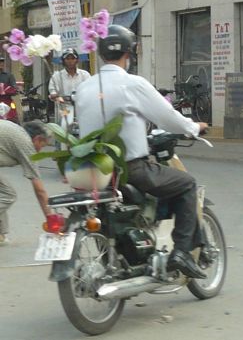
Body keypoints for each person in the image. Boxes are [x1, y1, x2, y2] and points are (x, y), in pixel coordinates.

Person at [75, 25, 209, 279]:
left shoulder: (84, 87)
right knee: (187, 184)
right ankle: (181, 252)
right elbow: (168, 117)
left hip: (90, 170)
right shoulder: (132, 83)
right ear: (130, 53)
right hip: (129, 169)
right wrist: (194, 127)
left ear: (102, 53)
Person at [0, 120, 52, 245]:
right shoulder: (26, 144)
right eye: (42, 146)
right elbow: (40, 190)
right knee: (8, 195)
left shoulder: (19, 132)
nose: (40, 151)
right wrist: (50, 219)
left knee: (3, 192)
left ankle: (1, 236)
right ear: (37, 139)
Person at [48, 48, 90, 137]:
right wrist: (55, 96)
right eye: (68, 59)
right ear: (63, 61)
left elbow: (90, 89)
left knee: (87, 128)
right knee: (64, 127)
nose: (70, 61)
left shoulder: (85, 75)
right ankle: (63, 147)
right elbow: (53, 91)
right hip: (65, 108)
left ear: (77, 60)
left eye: (72, 58)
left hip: (82, 107)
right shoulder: (57, 76)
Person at [0, 56, 18, 122]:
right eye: (0, 62)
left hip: (7, 101)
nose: (1, 63)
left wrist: (14, 89)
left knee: (13, 119)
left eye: (2, 62)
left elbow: (15, 87)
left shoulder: (9, 75)